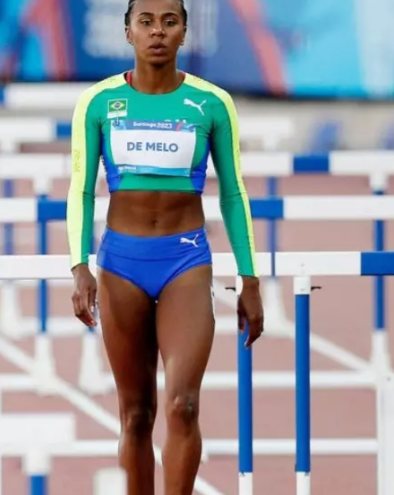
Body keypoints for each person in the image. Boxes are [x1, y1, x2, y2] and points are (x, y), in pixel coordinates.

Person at [65, 0, 264, 493]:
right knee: (135, 414)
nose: (158, 31)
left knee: (183, 405)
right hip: (121, 266)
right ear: (128, 32)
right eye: (146, 22)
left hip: (185, 262)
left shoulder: (212, 103)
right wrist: (79, 265)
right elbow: (81, 187)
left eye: (170, 22)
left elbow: (234, 192)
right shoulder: (98, 103)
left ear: (185, 33)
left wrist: (250, 277)